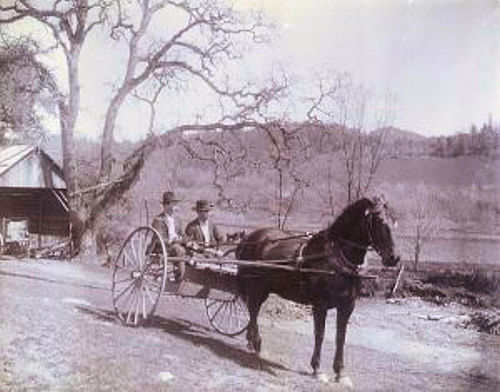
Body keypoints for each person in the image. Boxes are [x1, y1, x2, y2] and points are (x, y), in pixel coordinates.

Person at [149, 191, 186, 281]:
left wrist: (187, 240)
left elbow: (183, 234)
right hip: (162, 247)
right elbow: (158, 239)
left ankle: (190, 276)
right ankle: (180, 277)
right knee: (179, 250)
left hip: (176, 245)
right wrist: (171, 240)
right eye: (173, 204)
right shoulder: (158, 220)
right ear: (166, 205)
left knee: (189, 249)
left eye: (175, 204)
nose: (175, 207)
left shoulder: (178, 219)